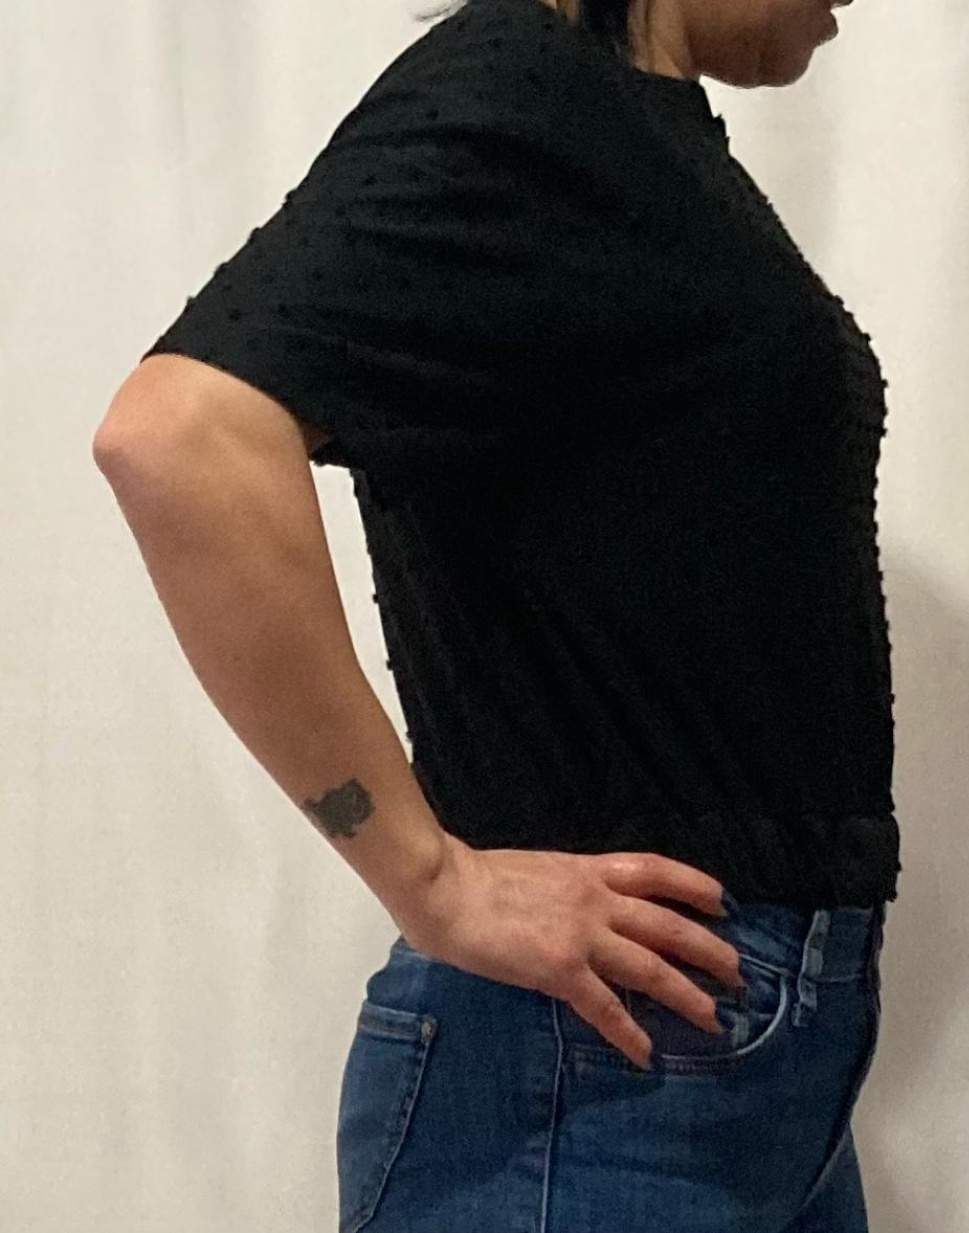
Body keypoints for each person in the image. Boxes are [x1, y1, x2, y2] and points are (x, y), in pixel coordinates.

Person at [93, 0, 898, 1228]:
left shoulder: (633, 133)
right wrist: (432, 882)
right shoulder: (527, 85)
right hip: (590, 1081)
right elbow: (177, 436)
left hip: (727, 1068)